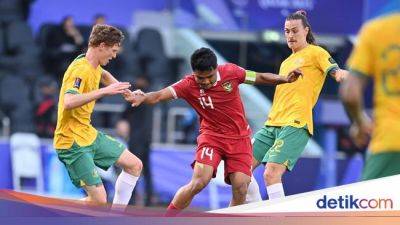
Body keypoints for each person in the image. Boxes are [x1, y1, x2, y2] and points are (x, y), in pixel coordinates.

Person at [124, 47, 302, 215]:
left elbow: (260, 77)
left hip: (239, 139)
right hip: (212, 137)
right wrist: (143, 97)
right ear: (194, 73)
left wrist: (284, 78)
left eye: (210, 76)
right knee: (200, 181)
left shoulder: (231, 72)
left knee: (241, 187)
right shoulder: (188, 85)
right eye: (201, 78)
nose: (207, 82)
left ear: (216, 68)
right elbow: (159, 95)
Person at [245, 10, 348, 203]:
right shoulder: (285, 62)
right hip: (272, 125)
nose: (290, 35)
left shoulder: (316, 52)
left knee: (271, 174)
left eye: (294, 31)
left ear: (306, 31)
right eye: (287, 31)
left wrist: (340, 73)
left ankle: (278, 218)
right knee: (239, 169)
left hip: (295, 124)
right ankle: (258, 211)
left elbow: (334, 70)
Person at [53, 24, 143, 207]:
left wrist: (125, 91)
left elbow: (104, 75)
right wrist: (104, 92)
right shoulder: (80, 70)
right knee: (99, 201)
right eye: (113, 50)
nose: (114, 55)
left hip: (87, 134)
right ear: (101, 46)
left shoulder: (93, 64)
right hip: (71, 142)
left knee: (135, 165)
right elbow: (68, 102)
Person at [340, 12, 400, 180]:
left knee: (373, 205)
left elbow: (350, 92)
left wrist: (360, 122)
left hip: (391, 141)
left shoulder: (377, 30)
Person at [120, 75, 156, 206]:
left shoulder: (141, 97)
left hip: (141, 138)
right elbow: (124, 115)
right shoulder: (146, 98)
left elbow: (124, 115)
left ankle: (143, 198)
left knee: (137, 169)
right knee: (140, 169)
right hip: (140, 137)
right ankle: (139, 198)